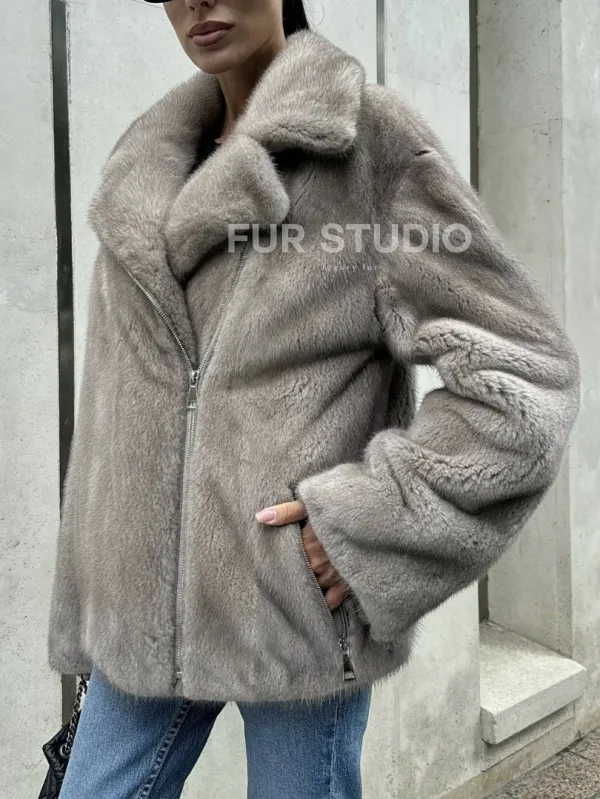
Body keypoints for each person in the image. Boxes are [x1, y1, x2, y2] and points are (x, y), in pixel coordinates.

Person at [48, 0, 580, 797]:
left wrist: (372, 523)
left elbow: (523, 373)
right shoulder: (149, 159)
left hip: (293, 607)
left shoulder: (369, 147)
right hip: (140, 609)